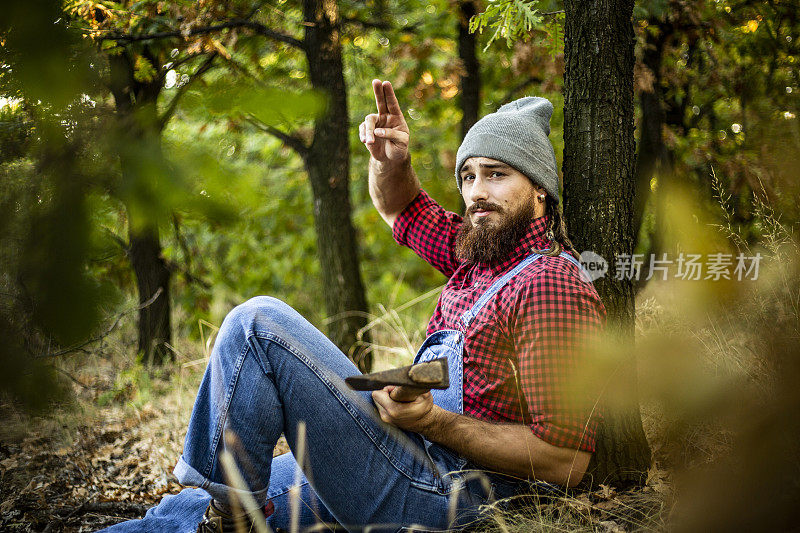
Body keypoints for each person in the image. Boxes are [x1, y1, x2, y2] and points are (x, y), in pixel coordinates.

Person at [101, 79, 606, 533]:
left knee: (258, 325)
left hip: (453, 497)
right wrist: (390, 162)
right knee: (193, 506)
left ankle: (235, 522)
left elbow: (564, 461)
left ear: (540, 189)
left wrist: (433, 423)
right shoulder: (474, 256)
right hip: (405, 457)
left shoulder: (550, 283)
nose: (475, 194)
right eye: (468, 177)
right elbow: (400, 207)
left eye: (496, 175)